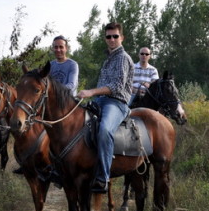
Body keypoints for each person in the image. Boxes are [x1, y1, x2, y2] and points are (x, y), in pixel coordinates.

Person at [76, 22, 134, 193]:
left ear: (121, 38)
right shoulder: (108, 58)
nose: (112, 39)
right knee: (75, 122)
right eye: (108, 36)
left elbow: (116, 86)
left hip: (116, 103)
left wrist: (90, 92)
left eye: (115, 36)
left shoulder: (123, 58)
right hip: (101, 101)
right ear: (105, 38)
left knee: (104, 130)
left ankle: (103, 177)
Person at [13, 35, 79, 175]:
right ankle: (28, 160)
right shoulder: (51, 66)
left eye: (61, 47)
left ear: (66, 48)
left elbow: (72, 86)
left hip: (67, 104)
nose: (58, 50)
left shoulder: (72, 65)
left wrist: (56, 94)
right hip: (51, 106)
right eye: (56, 47)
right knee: (31, 124)